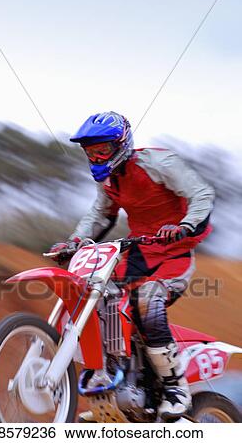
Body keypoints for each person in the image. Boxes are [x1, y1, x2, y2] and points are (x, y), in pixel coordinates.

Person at [50, 111, 215, 420]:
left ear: (122, 144)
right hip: (136, 253)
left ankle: (175, 386)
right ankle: (115, 387)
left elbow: (201, 193)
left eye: (103, 149)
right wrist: (74, 241)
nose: (97, 156)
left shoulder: (158, 163)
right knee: (99, 302)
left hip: (173, 253)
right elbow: (101, 214)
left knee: (146, 301)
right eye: (90, 151)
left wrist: (185, 224)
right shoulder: (109, 180)